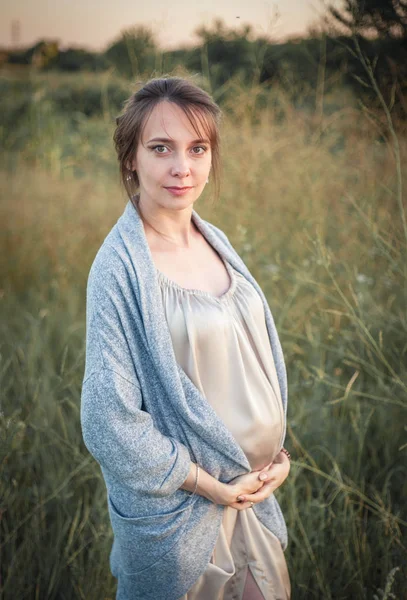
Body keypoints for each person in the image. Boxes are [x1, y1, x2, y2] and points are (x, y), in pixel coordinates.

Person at [80, 76, 292, 600]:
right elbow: (107, 421)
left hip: (256, 501)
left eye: (198, 149)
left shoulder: (213, 239)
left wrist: (275, 455)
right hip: (186, 520)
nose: (183, 167)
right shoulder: (120, 268)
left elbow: (246, 363)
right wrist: (209, 484)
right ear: (130, 158)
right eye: (161, 149)